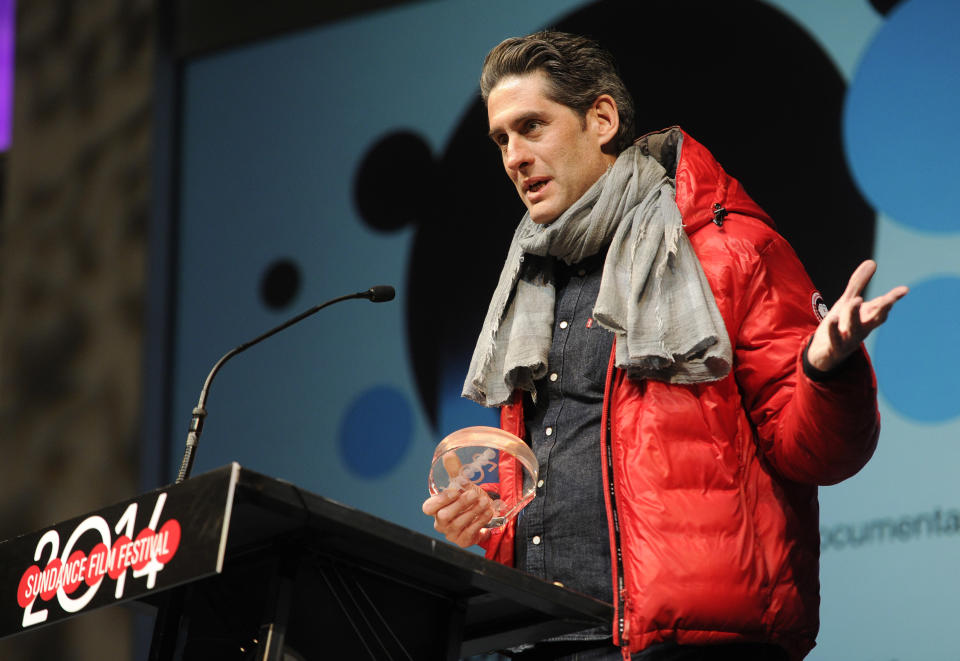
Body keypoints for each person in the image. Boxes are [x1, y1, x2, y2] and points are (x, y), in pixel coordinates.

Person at [422, 31, 907, 661]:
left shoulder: (727, 250)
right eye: (502, 139)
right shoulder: (531, 281)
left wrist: (824, 371)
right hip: (540, 638)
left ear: (601, 119)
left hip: (693, 643)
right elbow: (571, 474)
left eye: (532, 126)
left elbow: (816, 455)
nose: (514, 156)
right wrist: (492, 519)